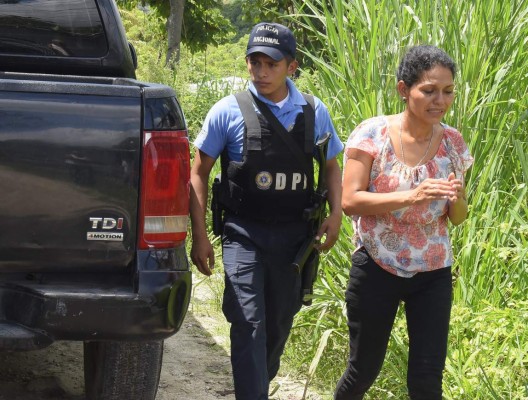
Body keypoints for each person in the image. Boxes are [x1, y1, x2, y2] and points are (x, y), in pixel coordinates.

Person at [189, 22, 344, 400]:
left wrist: (336, 213)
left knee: (277, 326)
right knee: (248, 325)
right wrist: (199, 238)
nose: (261, 72)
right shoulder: (228, 111)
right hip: (244, 235)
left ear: (291, 67)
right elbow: (198, 172)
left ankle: (258, 382)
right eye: (254, 62)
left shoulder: (313, 111)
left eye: (271, 64)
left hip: (294, 240)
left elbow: (332, 166)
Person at [335, 45, 473, 400]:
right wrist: (413, 195)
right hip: (377, 264)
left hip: (432, 270)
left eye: (447, 91)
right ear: (403, 90)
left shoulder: (453, 143)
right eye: (429, 90)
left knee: (427, 381)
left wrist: (456, 198)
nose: (439, 100)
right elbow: (350, 201)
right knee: (363, 369)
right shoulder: (373, 134)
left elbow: (458, 219)